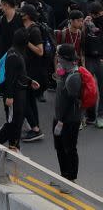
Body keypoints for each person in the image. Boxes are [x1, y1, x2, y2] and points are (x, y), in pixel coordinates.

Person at [0, 29, 40, 153]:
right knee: (12, 123)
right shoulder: (13, 55)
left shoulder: (18, 52)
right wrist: (9, 96)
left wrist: (30, 81)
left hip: (20, 93)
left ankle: (14, 148)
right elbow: (10, 77)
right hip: (13, 95)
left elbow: (19, 74)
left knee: (17, 122)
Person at [53, 44, 83, 183]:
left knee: (69, 148)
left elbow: (71, 103)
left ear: (65, 59)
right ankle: (64, 175)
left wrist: (61, 122)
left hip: (69, 121)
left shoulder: (74, 77)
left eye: (59, 56)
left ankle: (71, 179)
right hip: (59, 118)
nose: (57, 58)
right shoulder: (64, 70)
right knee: (59, 147)